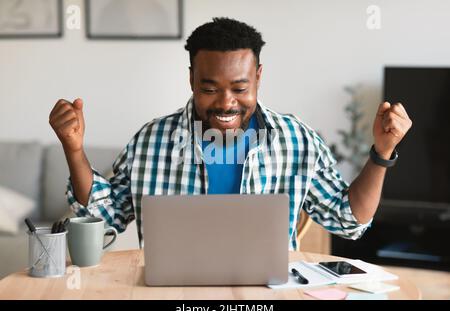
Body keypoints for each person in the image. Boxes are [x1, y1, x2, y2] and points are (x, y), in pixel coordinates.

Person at [49, 17, 412, 250]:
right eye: (209, 89)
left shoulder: (297, 140)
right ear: (191, 78)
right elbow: (105, 220)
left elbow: (348, 221)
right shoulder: (150, 140)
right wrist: (74, 149)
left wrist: (381, 154)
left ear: (258, 77)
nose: (226, 104)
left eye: (240, 88)